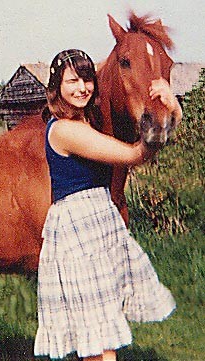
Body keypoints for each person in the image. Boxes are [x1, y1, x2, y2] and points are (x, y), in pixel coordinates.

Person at [34, 49, 180, 361]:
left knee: (101, 332)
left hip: (97, 223)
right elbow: (134, 154)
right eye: (72, 81)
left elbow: (144, 148)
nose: (82, 87)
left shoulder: (85, 123)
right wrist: (170, 110)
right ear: (56, 87)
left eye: (87, 79)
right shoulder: (66, 130)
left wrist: (173, 111)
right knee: (96, 336)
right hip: (79, 230)